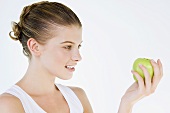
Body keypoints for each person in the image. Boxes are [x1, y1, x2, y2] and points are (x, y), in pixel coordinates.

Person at [0, 1, 163, 113]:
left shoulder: (77, 97)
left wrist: (127, 102)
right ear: (35, 47)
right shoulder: (10, 104)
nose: (78, 57)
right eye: (67, 47)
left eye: (78, 46)